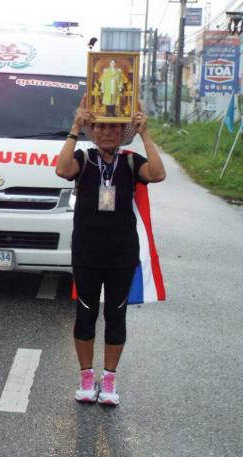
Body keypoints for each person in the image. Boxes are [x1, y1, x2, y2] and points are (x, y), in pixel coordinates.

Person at [55, 95, 165, 406]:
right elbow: (62, 170)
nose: (107, 132)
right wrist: (75, 127)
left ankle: (110, 379)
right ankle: (86, 377)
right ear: (93, 129)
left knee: (116, 317)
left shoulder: (130, 161)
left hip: (121, 254)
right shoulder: (84, 158)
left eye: (115, 128)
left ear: (123, 132)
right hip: (87, 253)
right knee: (85, 314)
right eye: (100, 126)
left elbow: (157, 174)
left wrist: (145, 133)